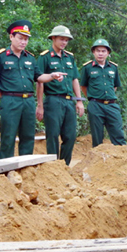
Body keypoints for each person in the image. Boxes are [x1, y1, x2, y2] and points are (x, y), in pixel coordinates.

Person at [0, 20, 66, 159]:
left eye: (26, 39)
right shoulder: (0, 56)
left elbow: (39, 77)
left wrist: (52, 76)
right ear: (11, 37)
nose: (23, 42)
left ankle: (25, 169)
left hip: (28, 101)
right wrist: (4, 96)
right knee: (8, 136)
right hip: (10, 100)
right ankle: (6, 170)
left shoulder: (30, 58)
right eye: (20, 38)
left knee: (28, 136)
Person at [36, 25, 84, 165]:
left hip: (69, 101)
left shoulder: (69, 57)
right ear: (53, 38)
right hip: (53, 100)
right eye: (61, 39)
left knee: (70, 136)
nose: (64, 42)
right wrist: (40, 105)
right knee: (53, 135)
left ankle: (64, 165)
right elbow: (40, 81)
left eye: (66, 40)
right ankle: (53, 166)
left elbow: (75, 79)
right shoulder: (45, 57)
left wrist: (79, 101)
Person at [80, 38, 126, 147]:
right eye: (98, 51)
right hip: (95, 105)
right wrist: (94, 98)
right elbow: (83, 86)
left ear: (108, 53)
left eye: (103, 51)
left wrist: (107, 98)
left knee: (118, 134)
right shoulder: (87, 67)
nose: (100, 53)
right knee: (97, 136)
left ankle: (121, 160)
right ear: (93, 52)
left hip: (111, 105)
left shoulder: (113, 68)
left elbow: (114, 86)